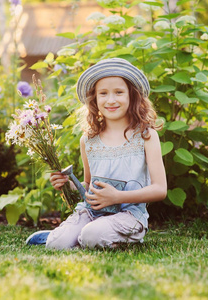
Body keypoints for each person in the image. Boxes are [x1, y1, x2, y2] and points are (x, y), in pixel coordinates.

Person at [26, 58, 167, 249]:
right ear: (95, 99)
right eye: (103, 93)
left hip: (129, 216)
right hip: (92, 213)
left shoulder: (146, 136)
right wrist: (68, 184)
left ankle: (91, 237)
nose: (111, 100)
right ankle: (66, 236)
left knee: (91, 235)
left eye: (119, 92)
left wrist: (117, 197)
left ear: (132, 96)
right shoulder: (89, 140)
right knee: (55, 245)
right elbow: (88, 185)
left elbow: (160, 189)